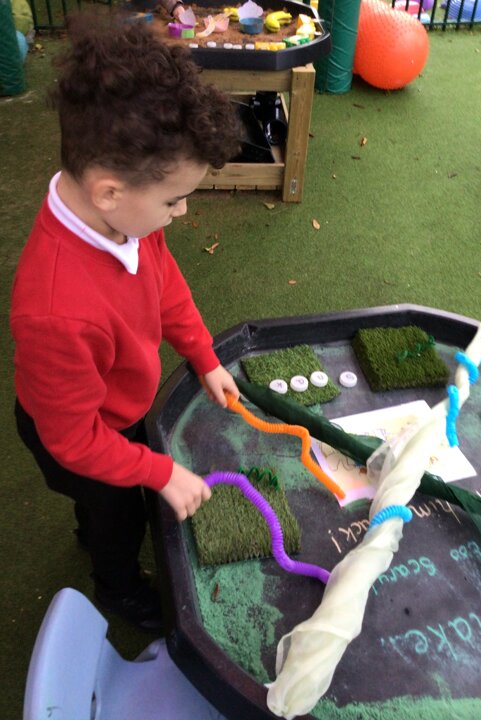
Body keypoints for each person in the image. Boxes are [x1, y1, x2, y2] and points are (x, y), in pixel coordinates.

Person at [10, 14, 241, 632]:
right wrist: (159, 471)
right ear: (108, 191)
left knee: (117, 492)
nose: (181, 212)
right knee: (118, 516)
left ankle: (97, 522)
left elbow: (166, 288)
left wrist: (203, 355)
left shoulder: (123, 221)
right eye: (172, 200)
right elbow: (75, 440)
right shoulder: (56, 311)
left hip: (116, 403)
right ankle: (118, 589)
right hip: (75, 432)